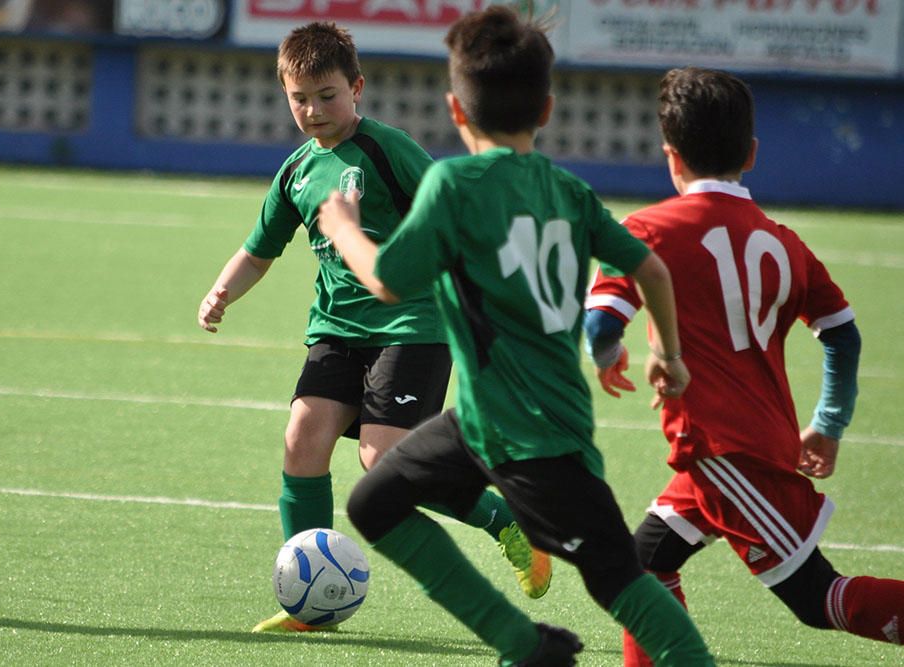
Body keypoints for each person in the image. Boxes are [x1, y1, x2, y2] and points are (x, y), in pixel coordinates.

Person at [318, 7, 715, 665]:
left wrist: (342, 227)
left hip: (537, 439)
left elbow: (387, 279)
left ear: (455, 110)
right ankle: (520, 640)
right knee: (374, 501)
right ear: (549, 107)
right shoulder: (567, 189)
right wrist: (668, 356)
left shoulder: (455, 182)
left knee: (617, 578)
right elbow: (649, 267)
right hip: (481, 421)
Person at [196, 21, 552, 633]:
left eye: (326, 95)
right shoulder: (297, 172)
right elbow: (260, 249)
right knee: (301, 441)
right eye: (299, 98)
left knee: (381, 462)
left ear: (356, 88)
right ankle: (309, 600)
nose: (312, 110)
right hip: (335, 328)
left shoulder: (388, 150)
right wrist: (223, 288)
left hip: (412, 323)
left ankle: (507, 522)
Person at [584, 66, 904, 666]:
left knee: (817, 598)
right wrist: (829, 423)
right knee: (645, 562)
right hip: (747, 443)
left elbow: (601, 324)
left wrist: (612, 356)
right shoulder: (784, 241)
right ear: (752, 153)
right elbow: (844, 338)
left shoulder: (649, 229)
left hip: (726, 451)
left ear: (670, 157)